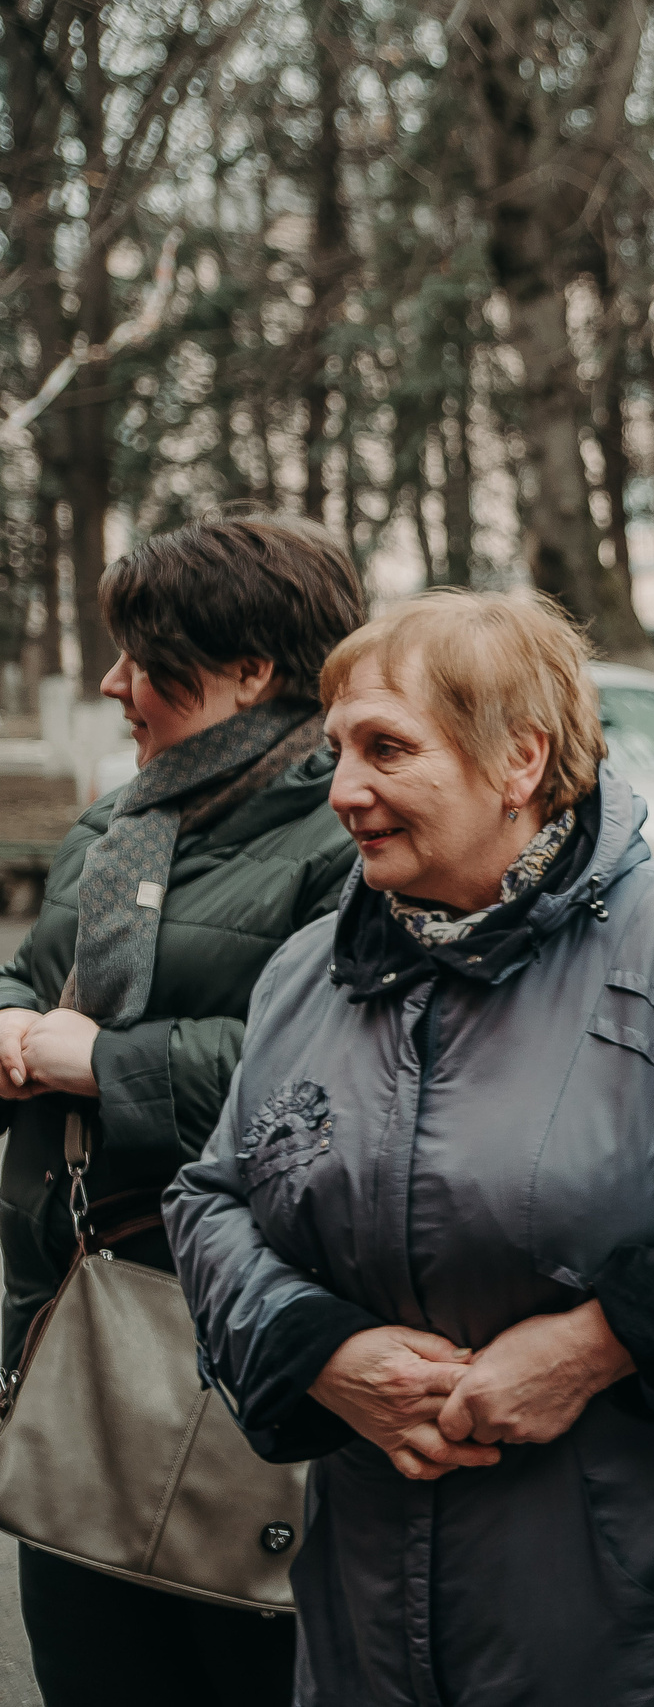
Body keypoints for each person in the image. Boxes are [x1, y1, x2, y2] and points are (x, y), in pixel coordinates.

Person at [162, 591, 654, 1706]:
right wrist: (321, 1351)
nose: (344, 789)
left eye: (388, 748)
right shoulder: (311, 965)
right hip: (365, 1611)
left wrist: (595, 1344)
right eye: (338, 748)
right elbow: (210, 1199)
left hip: (643, 1613)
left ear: (520, 759)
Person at [0, 515, 365, 1705]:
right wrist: (12, 1025)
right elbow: (35, 975)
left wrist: (101, 1061)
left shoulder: (347, 832)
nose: (114, 685)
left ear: (252, 669)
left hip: (242, 1343)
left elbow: (340, 1074)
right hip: (78, 1311)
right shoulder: (124, 819)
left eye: (145, 657)